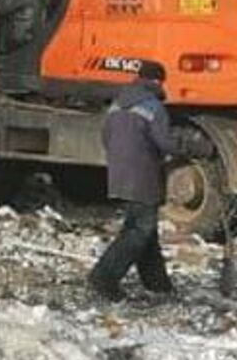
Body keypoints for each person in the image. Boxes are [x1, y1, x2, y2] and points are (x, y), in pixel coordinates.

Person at [90, 61, 210, 300]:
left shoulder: (118, 103)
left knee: (146, 229)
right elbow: (164, 142)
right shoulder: (154, 106)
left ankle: (157, 284)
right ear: (158, 81)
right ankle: (104, 277)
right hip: (142, 173)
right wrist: (189, 148)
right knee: (138, 230)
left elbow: (106, 135)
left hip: (119, 171)